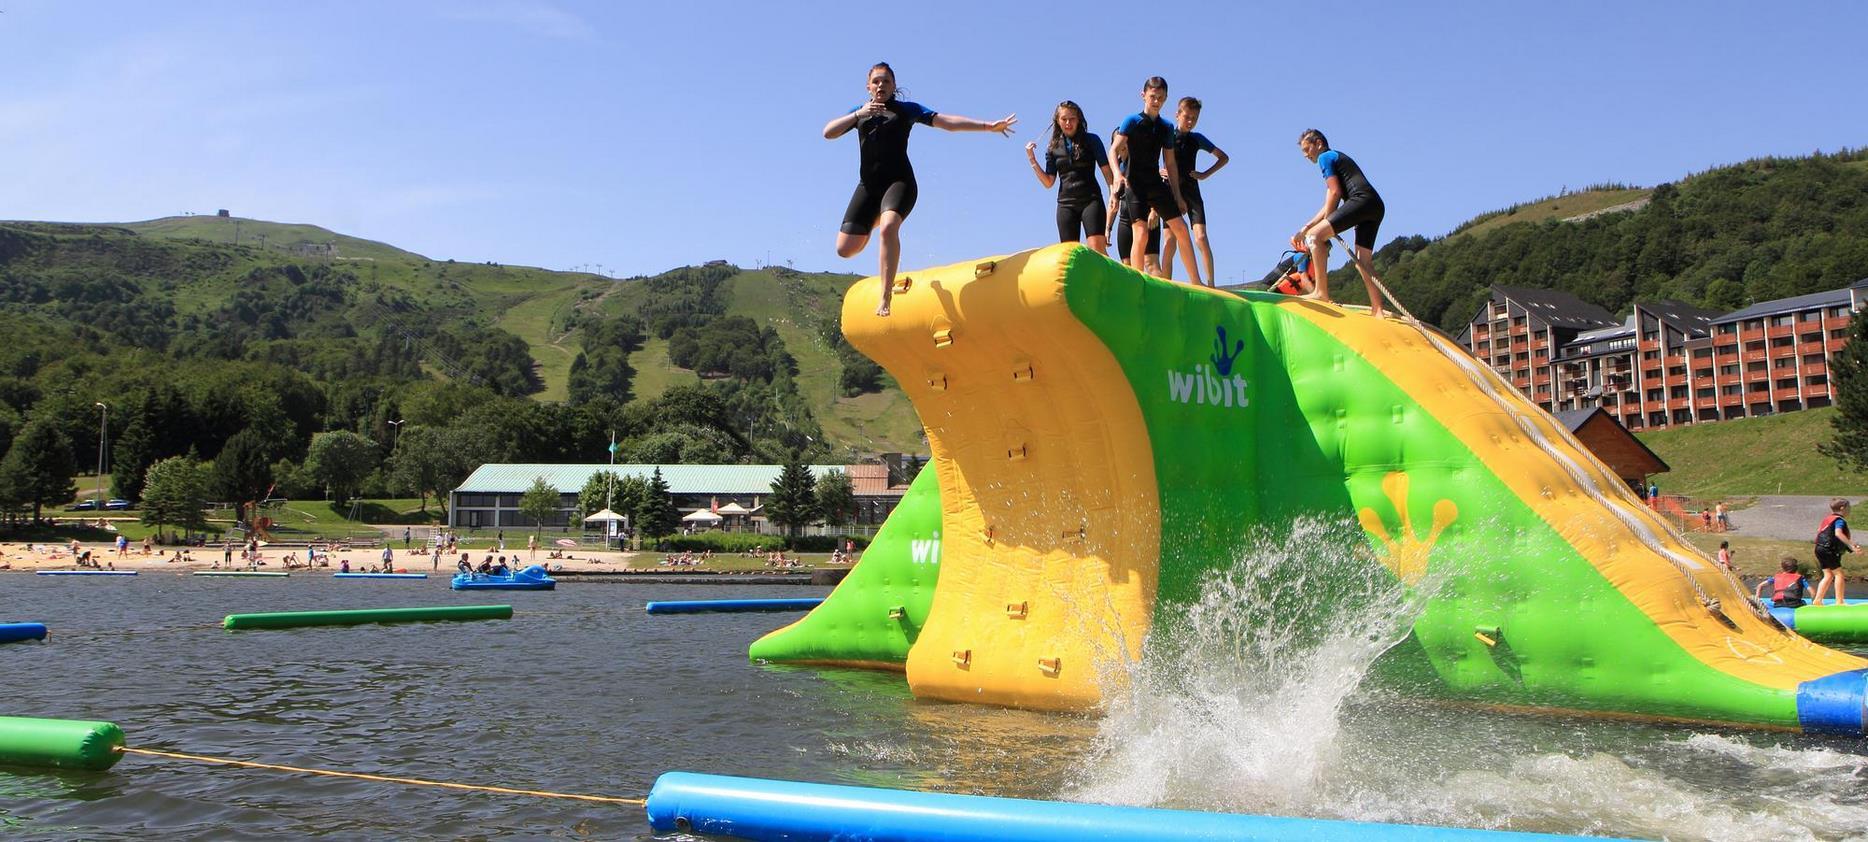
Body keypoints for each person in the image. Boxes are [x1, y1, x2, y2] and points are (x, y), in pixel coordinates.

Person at [825, 61, 1017, 316]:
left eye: (886, 81)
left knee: (889, 228)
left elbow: (947, 122)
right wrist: (859, 114)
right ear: (868, 87)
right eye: (876, 81)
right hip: (868, 188)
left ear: (894, 85)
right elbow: (828, 133)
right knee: (844, 249)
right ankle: (878, 222)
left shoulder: (907, 110)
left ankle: (885, 297)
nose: (881, 85)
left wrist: (988, 126)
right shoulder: (859, 112)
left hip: (899, 183)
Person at [1109, 77, 1201, 285]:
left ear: (1166, 98)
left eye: (1160, 98)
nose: (1156, 101)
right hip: (1135, 185)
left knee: (1181, 229)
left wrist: (1177, 196)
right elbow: (1114, 150)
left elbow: (1170, 164)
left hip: (1154, 184)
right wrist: (1117, 174)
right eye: (1152, 97)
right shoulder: (1131, 121)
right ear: (1144, 96)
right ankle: (1137, 281)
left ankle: (1196, 281)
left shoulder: (1166, 127)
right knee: (1140, 234)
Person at [1293, 129, 1388, 316]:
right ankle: (1378, 310)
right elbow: (1330, 198)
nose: (1306, 155)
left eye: (1307, 149)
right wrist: (1307, 227)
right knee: (1363, 262)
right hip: (1374, 205)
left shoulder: (1325, 157)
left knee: (1315, 238)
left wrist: (1321, 230)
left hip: (1360, 201)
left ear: (1318, 143)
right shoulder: (1336, 160)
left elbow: (1335, 193)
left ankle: (1320, 292)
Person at [1024, 101, 1114, 254]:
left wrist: (1113, 193)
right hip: (1066, 204)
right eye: (1064, 119)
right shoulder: (1052, 147)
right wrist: (1032, 159)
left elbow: (1106, 171)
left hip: (1091, 200)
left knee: (1096, 250)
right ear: (1057, 121)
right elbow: (1048, 182)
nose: (1068, 123)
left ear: (1079, 119)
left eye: (1072, 119)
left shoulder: (1092, 140)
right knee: (1070, 254)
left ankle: (1109, 278)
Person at [1158, 97, 1227, 285]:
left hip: (1191, 191)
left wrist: (1205, 174)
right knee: (1170, 240)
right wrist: (1158, 171)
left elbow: (1223, 157)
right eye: (1187, 117)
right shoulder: (1166, 135)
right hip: (1170, 191)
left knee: (1201, 237)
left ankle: (1211, 283)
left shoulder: (1197, 139)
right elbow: (1148, 156)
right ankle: (1166, 283)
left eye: (1194, 118)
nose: (1190, 122)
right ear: (1177, 115)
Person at [1812, 498, 1861, 606]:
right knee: (1839, 574)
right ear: (1842, 508)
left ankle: (1818, 600)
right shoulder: (1839, 520)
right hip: (1828, 549)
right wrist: (1851, 546)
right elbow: (1838, 533)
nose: (1850, 510)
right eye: (1849, 508)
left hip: (1819, 548)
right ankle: (1840, 601)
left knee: (1828, 575)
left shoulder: (1827, 519)